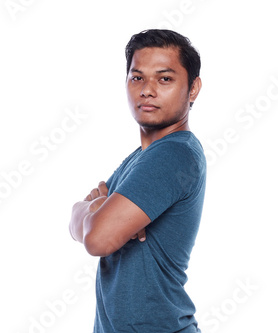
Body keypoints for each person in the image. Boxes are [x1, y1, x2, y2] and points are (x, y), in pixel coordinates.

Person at [69, 29, 206, 333]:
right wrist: (90, 208)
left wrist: (97, 211)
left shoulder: (173, 154)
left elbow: (97, 238)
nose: (147, 90)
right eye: (137, 78)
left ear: (193, 88)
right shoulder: (140, 158)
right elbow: (82, 222)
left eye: (165, 79)